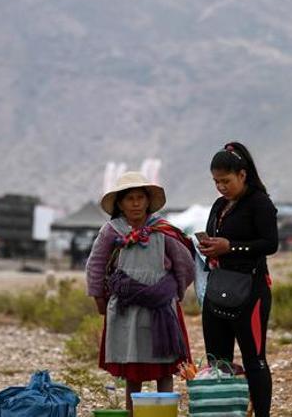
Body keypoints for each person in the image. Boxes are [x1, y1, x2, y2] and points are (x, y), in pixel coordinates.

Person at [86, 171, 195, 415]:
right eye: (129, 199)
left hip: (161, 308)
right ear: (120, 204)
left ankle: (165, 412)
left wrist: (172, 293)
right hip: (127, 309)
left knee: (166, 366)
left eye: (140, 197)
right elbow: (95, 265)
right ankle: (133, 413)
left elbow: (184, 264)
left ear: (147, 201)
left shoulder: (163, 230)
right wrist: (99, 298)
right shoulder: (111, 231)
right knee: (132, 364)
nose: (135, 203)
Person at [198, 142, 279, 416]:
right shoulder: (220, 205)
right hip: (218, 287)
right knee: (217, 361)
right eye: (216, 182)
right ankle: (222, 411)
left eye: (226, 181)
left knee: (254, 359)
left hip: (250, 291)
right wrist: (209, 247)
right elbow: (217, 239)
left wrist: (230, 247)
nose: (221, 187)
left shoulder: (260, 203)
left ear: (242, 175)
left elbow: (270, 244)